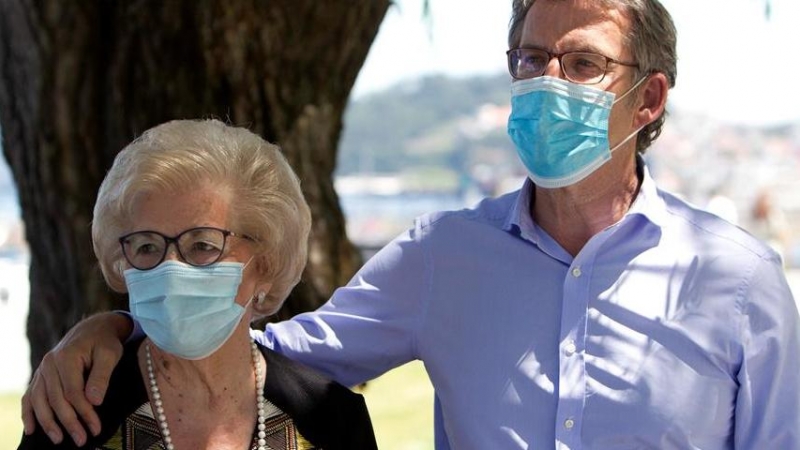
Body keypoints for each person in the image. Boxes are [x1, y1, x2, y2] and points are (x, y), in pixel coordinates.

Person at [23, 1, 800, 448]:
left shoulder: (737, 280)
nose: (546, 83)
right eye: (529, 60)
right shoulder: (445, 255)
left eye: (583, 63)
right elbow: (260, 345)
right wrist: (109, 328)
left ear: (651, 99)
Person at [18, 119, 377, 449]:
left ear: (265, 264)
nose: (170, 267)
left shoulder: (330, 419)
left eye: (203, 245)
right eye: (147, 246)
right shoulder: (71, 412)